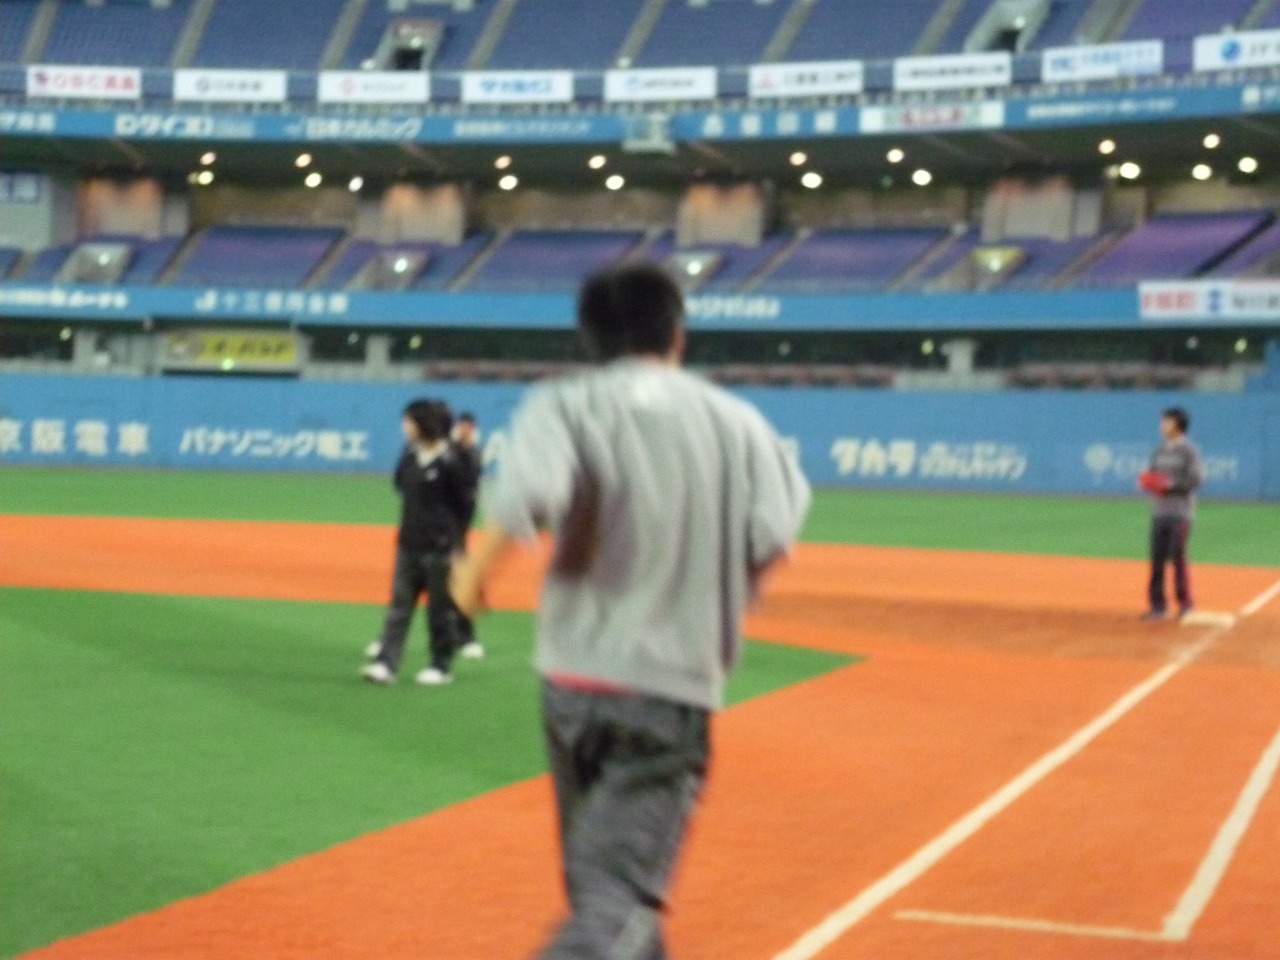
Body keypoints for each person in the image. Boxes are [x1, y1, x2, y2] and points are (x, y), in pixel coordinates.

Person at [451, 263, 811, 959]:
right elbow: (773, 533)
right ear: (677, 333)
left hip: (571, 682)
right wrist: (719, 590)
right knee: (618, 894)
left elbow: (528, 497)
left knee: (603, 888)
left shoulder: (563, 404)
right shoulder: (737, 421)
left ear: (591, 338)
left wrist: (472, 574)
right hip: (669, 685)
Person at [362, 398, 471, 685]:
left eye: (409, 421)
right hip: (409, 542)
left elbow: (463, 503)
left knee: (439, 610)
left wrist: (451, 538)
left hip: (439, 546)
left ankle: (441, 665)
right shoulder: (410, 454)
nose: (405, 426)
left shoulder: (451, 459)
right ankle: (386, 664)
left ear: (424, 424)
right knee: (399, 606)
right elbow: (400, 484)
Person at [1138, 406, 1205, 621]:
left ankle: (1185, 604)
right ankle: (1158, 606)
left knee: (1178, 558)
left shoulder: (1189, 450)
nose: (1162, 426)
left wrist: (1170, 485)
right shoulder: (1159, 451)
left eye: (1167, 422)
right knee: (1157, 560)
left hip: (1180, 513)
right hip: (1159, 512)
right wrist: (1148, 482)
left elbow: (1196, 479)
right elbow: (1152, 474)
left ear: (1178, 425)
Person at [450, 411, 485, 660]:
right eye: (462, 425)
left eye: (468, 426)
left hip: (455, 531)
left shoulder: (472, 454)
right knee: (410, 590)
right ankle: (389, 643)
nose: (465, 430)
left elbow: (469, 489)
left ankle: (466, 635)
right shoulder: (448, 452)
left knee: (461, 582)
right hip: (434, 531)